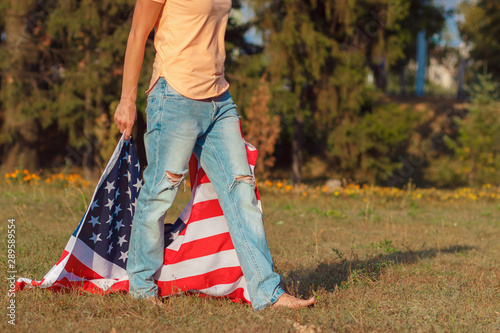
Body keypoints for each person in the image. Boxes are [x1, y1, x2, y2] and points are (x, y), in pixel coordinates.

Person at [113, 0, 316, 310]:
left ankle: (266, 292)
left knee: (242, 191)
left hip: (219, 100)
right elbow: (138, 33)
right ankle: (141, 288)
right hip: (174, 96)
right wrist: (127, 100)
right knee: (159, 193)